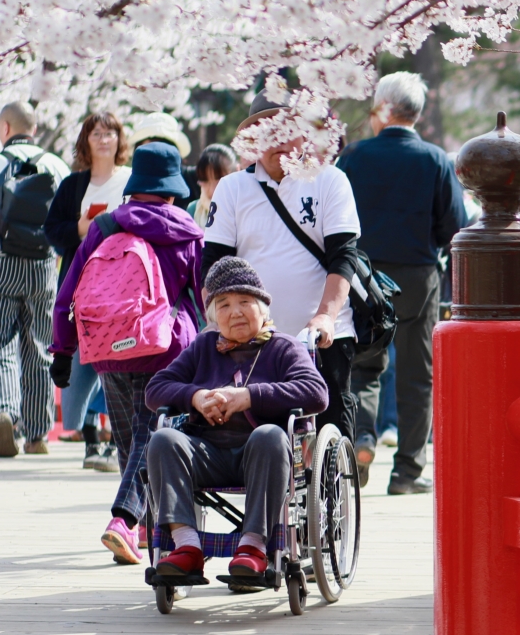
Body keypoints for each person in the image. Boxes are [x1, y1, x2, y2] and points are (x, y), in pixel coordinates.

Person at [49, 143, 206, 565]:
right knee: (148, 435)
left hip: (108, 348)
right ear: (173, 190)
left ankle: (138, 530)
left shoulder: (103, 227)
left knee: (129, 439)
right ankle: (125, 521)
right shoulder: (186, 231)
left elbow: (68, 292)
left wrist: (63, 349)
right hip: (166, 349)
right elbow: (206, 297)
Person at [144, 257, 330, 588]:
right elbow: (155, 389)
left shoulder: (283, 348)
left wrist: (248, 396)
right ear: (214, 315)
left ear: (263, 308)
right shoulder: (204, 347)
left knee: (271, 435)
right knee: (164, 440)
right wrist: (196, 397)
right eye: (224, 304)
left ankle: (254, 547)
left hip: (261, 458)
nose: (235, 312)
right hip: (207, 453)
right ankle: (186, 547)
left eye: (245, 301)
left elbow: (317, 393)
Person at [335, 71, 466, 495]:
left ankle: (363, 437)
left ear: (383, 109)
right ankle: (408, 472)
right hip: (417, 277)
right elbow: (455, 227)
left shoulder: (353, 156)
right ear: (418, 113)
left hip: (363, 275)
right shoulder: (435, 160)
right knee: (416, 373)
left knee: (364, 363)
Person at [201, 97, 361, 442]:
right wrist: (217, 321)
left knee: (330, 432)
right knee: (257, 435)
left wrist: (325, 316)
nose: (282, 142)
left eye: (290, 130)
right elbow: (214, 264)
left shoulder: (331, 181)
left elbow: (343, 257)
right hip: (253, 339)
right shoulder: (232, 188)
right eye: (270, 133)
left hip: (321, 336)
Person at [0, 101, 71, 457]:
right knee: (40, 346)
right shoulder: (56, 165)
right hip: (42, 265)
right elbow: (63, 222)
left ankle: (6, 413)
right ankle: (38, 434)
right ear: (35, 129)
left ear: (4, 128)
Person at [47, 112, 132, 472]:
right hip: (82, 279)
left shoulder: (130, 179)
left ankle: (117, 438)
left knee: (120, 356)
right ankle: (89, 440)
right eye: (96, 133)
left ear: (119, 139)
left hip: (125, 279)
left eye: (109, 132)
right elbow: (52, 230)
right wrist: (80, 228)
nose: (103, 139)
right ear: (85, 140)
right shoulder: (72, 185)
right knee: (81, 356)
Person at [190, 145, 238, 225]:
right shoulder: (194, 210)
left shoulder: (247, 208)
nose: (212, 190)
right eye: (205, 181)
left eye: (219, 180)